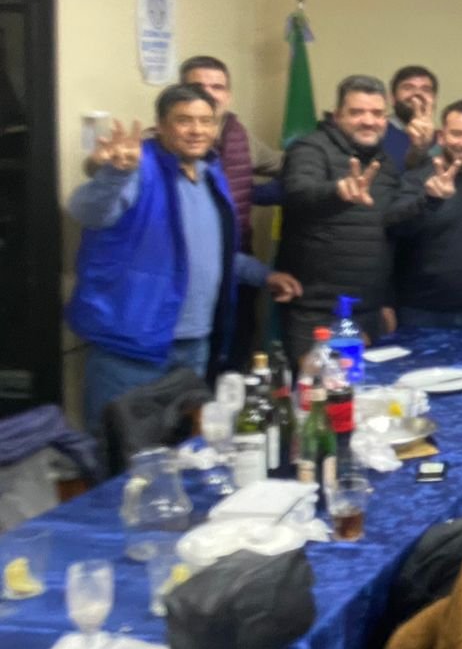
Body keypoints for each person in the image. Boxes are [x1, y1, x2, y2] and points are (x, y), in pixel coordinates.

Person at [67, 86, 300, 426]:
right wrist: (114, 175)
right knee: (120, 448)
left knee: (185, 446)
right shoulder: (138, 167)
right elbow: (87, 212)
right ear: (161, 126)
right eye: (184, 121)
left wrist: (265, 275)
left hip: (196, 343)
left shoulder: (210, 174)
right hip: (132, 347)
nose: (197, 130)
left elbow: (214, 253)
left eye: (206, 121)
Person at [277, 75, 447, 360]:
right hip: (317, 313)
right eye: (357, 112)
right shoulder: (310, 149)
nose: (368, 121)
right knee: (319, 388)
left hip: (369, 310)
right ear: (337, 116)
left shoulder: (384, 162)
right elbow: (298, 194)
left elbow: (391, 225)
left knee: (372, 388)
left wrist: (430, 199)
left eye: (377, 113)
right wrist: (337, 192)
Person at [174, 54, 284, 373]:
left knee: (233, 366)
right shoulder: (158, 145)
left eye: (217, 87)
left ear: (228, 95)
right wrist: (106, 168)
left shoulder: (241, 137)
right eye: (198, 86)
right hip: (182, 285)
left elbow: (283, 164)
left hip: (238, 270)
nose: (209, 94)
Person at [390, 101, 462, 333]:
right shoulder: (417, 176)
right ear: (441, 137)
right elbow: (395, 226)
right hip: (421, 309)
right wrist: (429, 200)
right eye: (457, 134)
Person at [381, 64, 438, 171]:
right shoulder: (377, 131)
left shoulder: (443, 140)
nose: (417, 93)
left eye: (425, 89)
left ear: (434, 99)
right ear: (392, 98)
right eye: (408, 88)